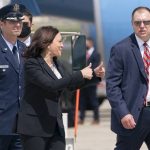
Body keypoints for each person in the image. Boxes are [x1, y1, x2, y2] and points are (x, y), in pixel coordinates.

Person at [17, 25, 105, 150]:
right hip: (35, 127)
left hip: (55, 126)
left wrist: (95, 75)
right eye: (59, 41)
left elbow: (70, 85)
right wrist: (80, 73)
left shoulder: (57, 64)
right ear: (47, 43)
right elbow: (50, 85)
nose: (62, 45)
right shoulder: (32, 64)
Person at [106, 6, 150, 149]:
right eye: (137, 22)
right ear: (132, 24)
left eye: (146, 22)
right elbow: (112, 86)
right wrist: (123, 113)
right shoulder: (121, 49)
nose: (142, 26)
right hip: (133, 116)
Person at [0, 3, 26, 150]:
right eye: (12, 21)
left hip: (21, 126)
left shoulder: (25, 50)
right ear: (1, 23)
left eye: (19, 21)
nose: (17, 25)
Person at [79, 37, 102, 124]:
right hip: (82, 81)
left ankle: (96, 118)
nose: (85, 45)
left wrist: (88, 72)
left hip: (92, 82)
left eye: (87, 43)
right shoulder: (83, 54)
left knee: (93, 100)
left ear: (91, 43)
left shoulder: (96, 54)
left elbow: (95, 66)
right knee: (82, 100)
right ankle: (81, 118)